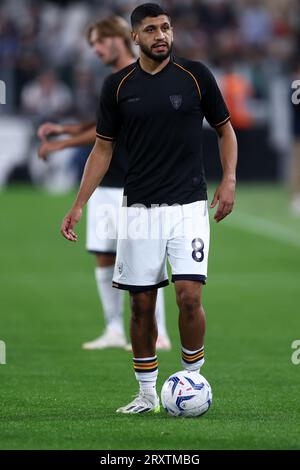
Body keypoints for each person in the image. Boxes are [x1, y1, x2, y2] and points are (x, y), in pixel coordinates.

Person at [61, 3, 237, 414]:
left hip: (189, 205)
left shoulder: (196, 76)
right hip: (138, 209)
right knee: (140, 304)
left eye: (166, 28)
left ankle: (193, 380)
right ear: (134, 38)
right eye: (152, 29)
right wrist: (78, 204)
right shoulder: (118, 86)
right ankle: (145, 393)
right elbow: (102, 149)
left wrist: (228, 181)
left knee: (189, 295)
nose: (162, 35)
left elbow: (225, 132)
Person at [37, 15, 171, 351]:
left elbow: (108, 135)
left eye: (99, 41)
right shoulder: (114, 81)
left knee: (147, 261)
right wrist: (66, 130)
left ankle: (162, 332)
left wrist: (62, 143)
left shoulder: (142, 76)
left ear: (117, 38)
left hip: (137, 183)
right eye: (92, 44)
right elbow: (103, 123)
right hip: (107, 184)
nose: (95, 49)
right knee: (103, 256)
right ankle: (113, 329)